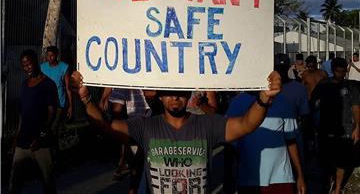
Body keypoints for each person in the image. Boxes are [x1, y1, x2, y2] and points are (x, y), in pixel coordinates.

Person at [71, 70, 281, 194]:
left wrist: (263, 99)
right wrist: (86, 98)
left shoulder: (207, 125)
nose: (175, 97)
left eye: (180, 92)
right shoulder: (146, 126)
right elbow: (106, 127)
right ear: (159, 97)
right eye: (168, 93)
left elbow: (246, 124)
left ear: (189, 94)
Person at [226, 54, 306, 194]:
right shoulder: (237, 103)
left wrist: (299, 175)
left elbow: (291, 141)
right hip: (249, 179)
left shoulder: (283, 102)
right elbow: (230, 148)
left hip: (282, 178)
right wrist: (229, 177)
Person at [9, 49, 59, 194]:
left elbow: (52, 113)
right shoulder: (24, 84)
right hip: (23, 142)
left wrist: (41, 136)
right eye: (24, 65)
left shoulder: (48, 84)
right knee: (14, 182)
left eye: (29, 64)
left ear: (36, 62)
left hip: (41, 144)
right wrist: (16, 137)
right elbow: (22, 114)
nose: (27, 68)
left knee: (48, 183)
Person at [310, 57, 360, 194]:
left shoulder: (351, 87)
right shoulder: (323, 85)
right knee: (327, 161)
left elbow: (356, 107)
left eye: (343, 72)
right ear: (332, 70)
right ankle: (329, 183)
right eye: (338, 72)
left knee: (342, 161)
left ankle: (337, 189)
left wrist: (358, 127)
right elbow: (313, 104)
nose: (341, 75)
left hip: (346, 130)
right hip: (326, 129)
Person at [41, 46, 72, 119]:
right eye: (48, 55)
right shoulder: (42, 67)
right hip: (45, 102)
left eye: (52, 55)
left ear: (56, 55)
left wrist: (71, 105)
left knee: (55, 125)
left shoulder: (64, 67)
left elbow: (68, 87)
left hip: (59, 102)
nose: (50, 58)